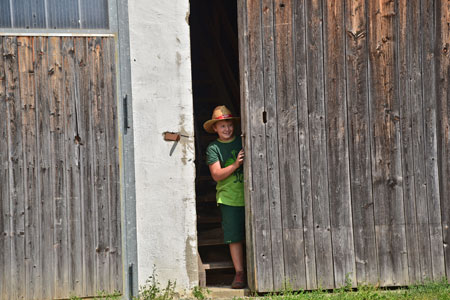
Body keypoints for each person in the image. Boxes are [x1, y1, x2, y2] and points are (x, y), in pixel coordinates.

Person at [203, 105, 246, 289]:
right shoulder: (214, 148)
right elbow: (216, 175)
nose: (226, 129)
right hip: (229, 198)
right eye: (222, 126)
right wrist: (236, 165)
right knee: (234, 237)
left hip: (251, 196)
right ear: (215, 128)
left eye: (229, 124)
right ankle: (239, 273)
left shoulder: (243, 141)